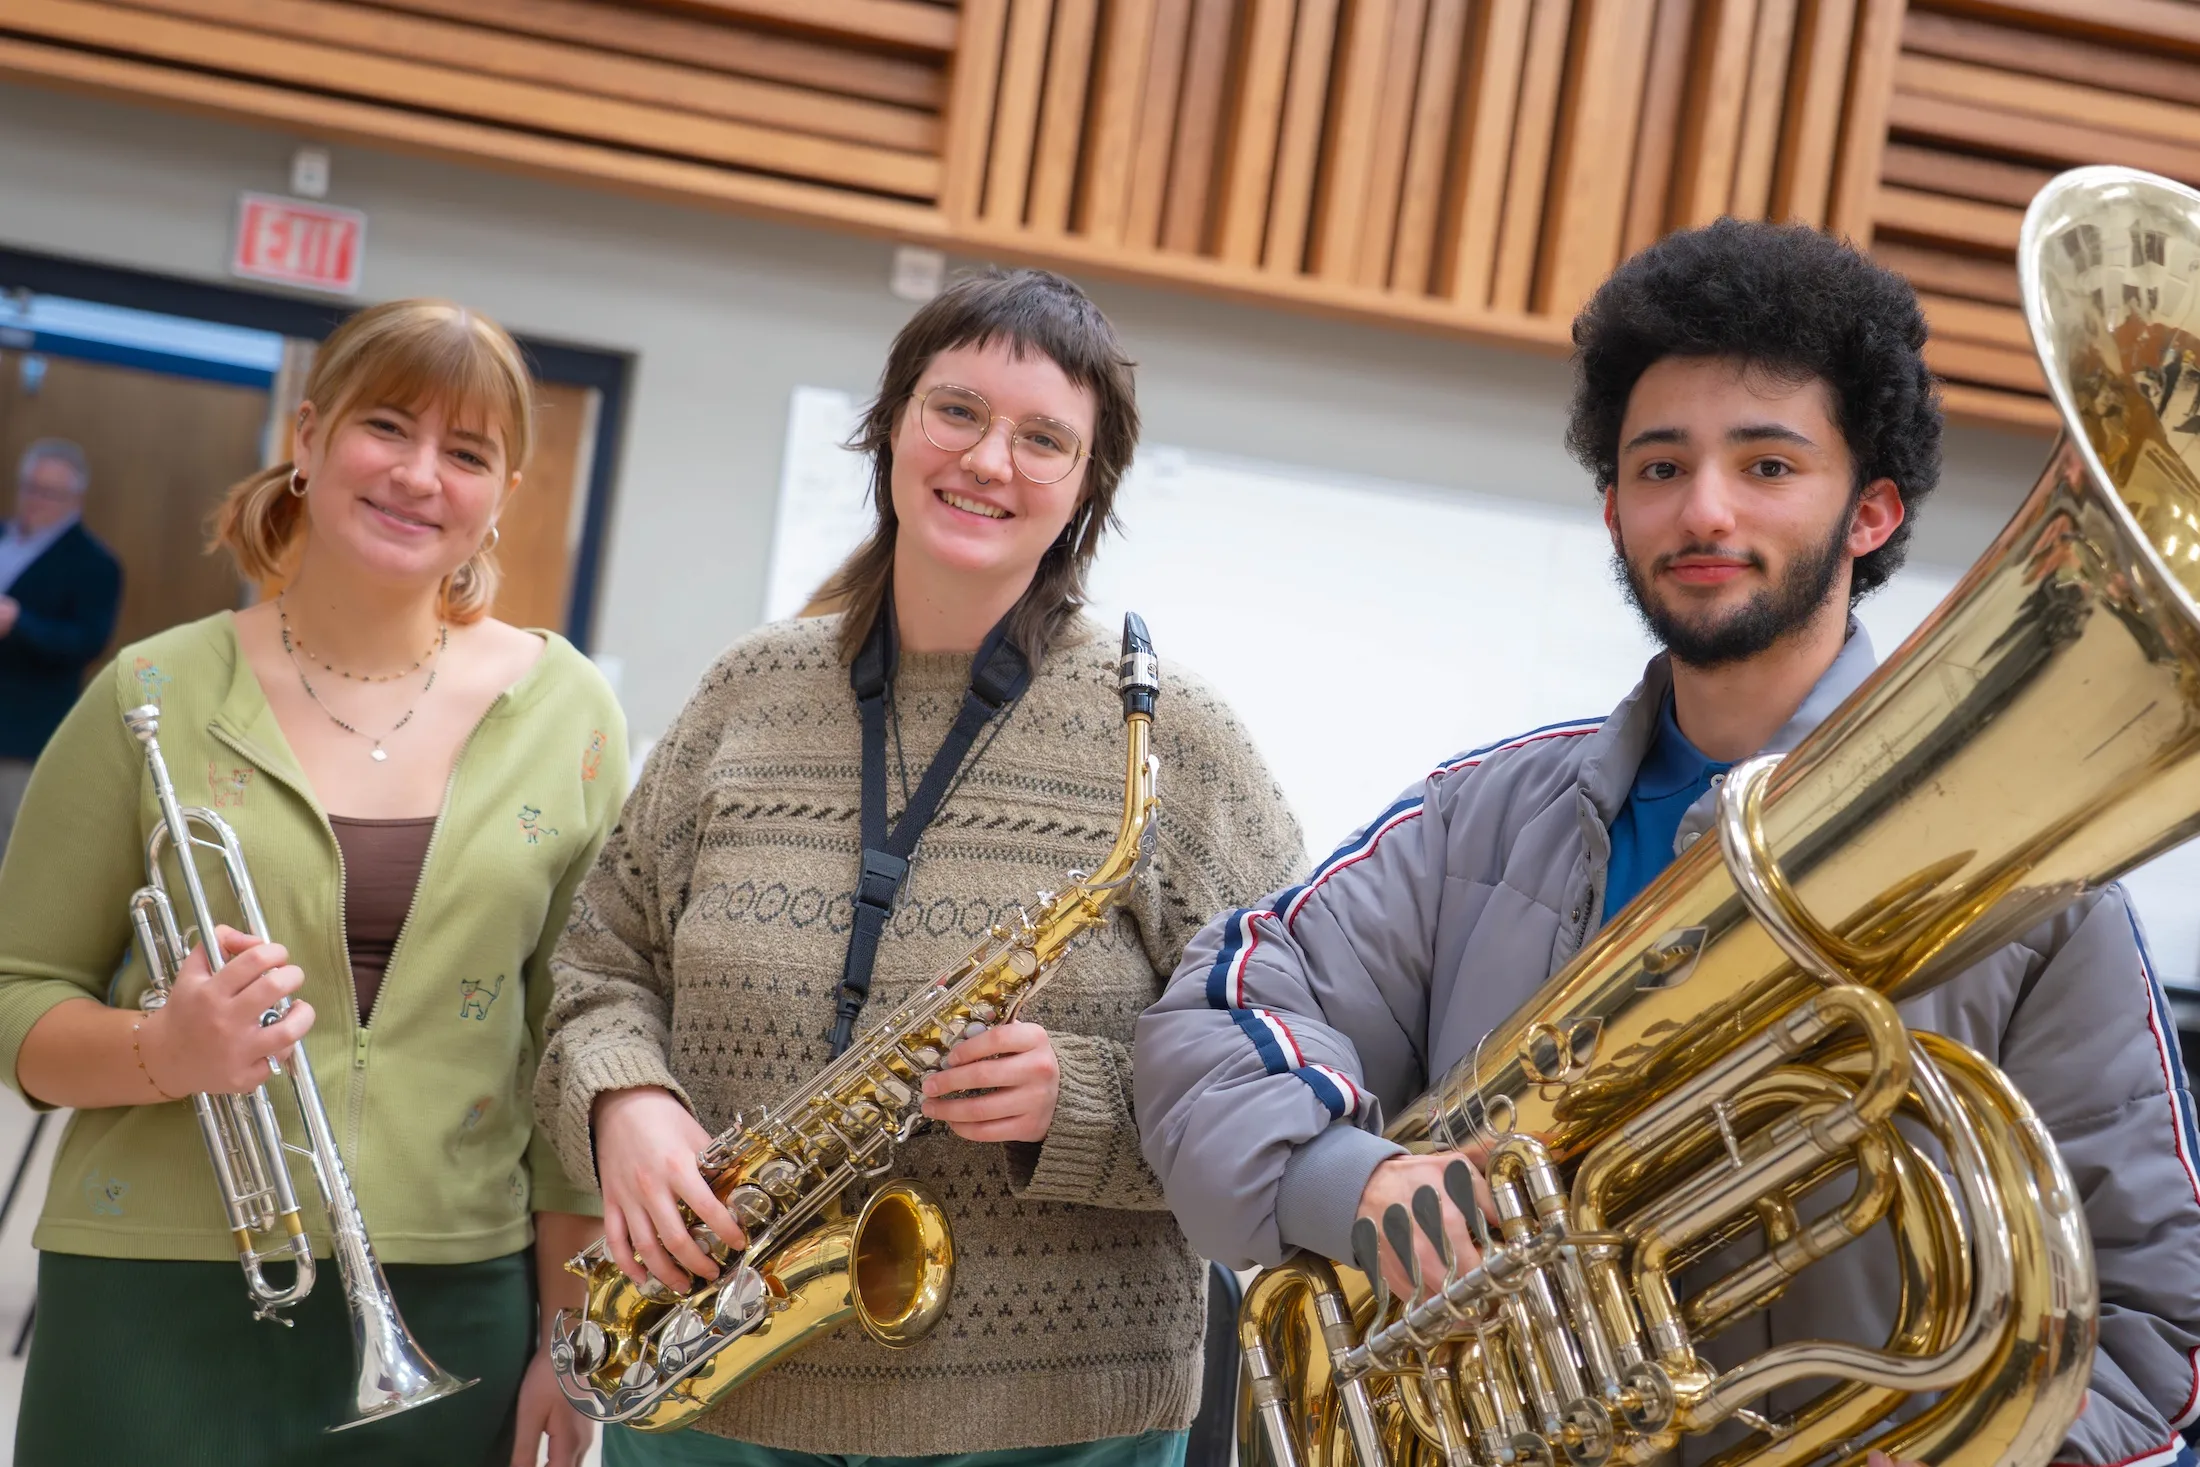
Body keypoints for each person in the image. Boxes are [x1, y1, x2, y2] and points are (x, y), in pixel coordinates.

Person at [1135, 220, 2200, 1467]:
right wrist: (1350, 1182)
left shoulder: (2034, 898)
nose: (1701, 509)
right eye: (1658, 467)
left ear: (1870, 511)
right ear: (1612, 510)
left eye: (1764, 465)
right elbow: (1213, 1016)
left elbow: (2144, 1340)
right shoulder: (1481, 816)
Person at [535, 267, 1306, 1467]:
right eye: (956, 411)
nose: (989, 459)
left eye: (1042, 438)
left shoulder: (1175, 739)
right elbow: (601, 961)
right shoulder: (748, 691)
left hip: (1053, 1420)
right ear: (892, 425)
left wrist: (1089, 1106)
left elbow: (1302, 1054)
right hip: (709, 1382)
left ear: (1086, 491)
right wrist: (623, 1103)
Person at [0, 300, 625, 1467]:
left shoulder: (568, 711)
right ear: (309, 434)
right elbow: (15, 992)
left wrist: (571, 1329)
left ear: (505, 491)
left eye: (468, 452)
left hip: (455, 1290)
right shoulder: (151, 691)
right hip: (155, 1289)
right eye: (387, 426)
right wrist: (162, 1052)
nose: (419, 475)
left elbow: (581, 1040)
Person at [0, 437, 122, 855]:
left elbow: (86, 642)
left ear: (75, 498)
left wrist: (19, 622)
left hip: (22, 730)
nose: (35, 499)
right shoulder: (3, 535)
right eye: (29, 487)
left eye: (49, 492)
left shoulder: (94, 564)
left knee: (11, 842)